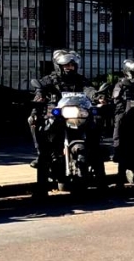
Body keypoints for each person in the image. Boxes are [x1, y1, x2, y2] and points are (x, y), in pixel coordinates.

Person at [28, 50, 93, 192]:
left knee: (95, 124)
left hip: (75, 116)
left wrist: (97, 95)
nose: (70, 68)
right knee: (36, 126)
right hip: (56, 117)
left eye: (72, 65)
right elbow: (40, 89)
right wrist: (39, 97)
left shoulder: (80, 80)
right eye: (66, 65)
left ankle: (100, 176)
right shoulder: (49, 80)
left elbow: (89, 89)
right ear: (59, 66)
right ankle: (41, 189)